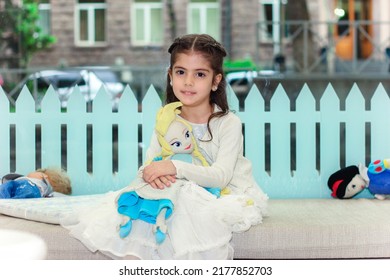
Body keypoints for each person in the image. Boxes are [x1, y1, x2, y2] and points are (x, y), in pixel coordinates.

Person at [61, 34, 268, 260]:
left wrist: (173, 167)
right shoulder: (166, 120)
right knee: (148, 203)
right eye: (181, 72)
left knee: (186, 202)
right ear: (170, 76)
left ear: (216, 81)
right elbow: (150, 164)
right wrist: (154, 174)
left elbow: (221, 177)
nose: (188, 82)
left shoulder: (228, 123)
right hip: (176, 189)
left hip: (226, 193)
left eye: (200, 74)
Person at [0, 167, 72, 198]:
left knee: (6, 189)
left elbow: (6, 186)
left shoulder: (32, 182)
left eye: (37, 172)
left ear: (44, 176)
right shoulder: (41, 192)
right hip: (32, 192)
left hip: (28, 187)